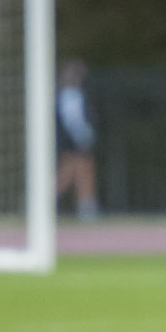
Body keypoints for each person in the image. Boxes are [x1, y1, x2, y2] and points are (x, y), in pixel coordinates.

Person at [56, 58, 99, 222]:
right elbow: (74, 121)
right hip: (73, 143)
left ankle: (86, 207)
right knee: (71, 173)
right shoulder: (72, 95)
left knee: (79, 172)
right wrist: (84, 138)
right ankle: (86, 208)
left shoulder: (66, 94)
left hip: (71, 142)